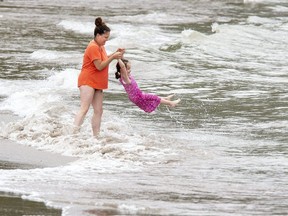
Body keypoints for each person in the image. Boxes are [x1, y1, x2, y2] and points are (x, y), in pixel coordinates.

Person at [74, 17, 124, 136]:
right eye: (105, 38)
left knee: (99, 111)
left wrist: (115, 54)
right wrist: (113, 57)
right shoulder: (93, 47)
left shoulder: (100, 46)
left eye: (108, 38)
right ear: (97, 35)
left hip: (97, 82)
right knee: (84, 108)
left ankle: (96, 136)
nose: (106, 40)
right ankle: (73, 134)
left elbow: (104, 60)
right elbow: (99, 66)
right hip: (88, 80)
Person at [115, 59, 181, 113]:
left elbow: (122, 66)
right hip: (137, 97)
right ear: (122, 70)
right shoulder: (125, 79)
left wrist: (120, 56)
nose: (130, 70)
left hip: (137, 95)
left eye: (130, 68)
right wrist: (118, 58)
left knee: (152, 97)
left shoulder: (125, 77)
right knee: (154, 97)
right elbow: (123, 67)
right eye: (128, 69)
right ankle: (170, 103)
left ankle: (166, 99)